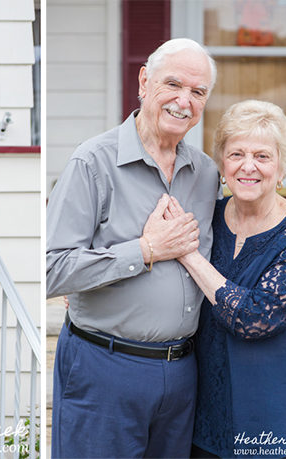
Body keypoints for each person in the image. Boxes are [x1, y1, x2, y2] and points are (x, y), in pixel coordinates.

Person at [45, 38, 221, 458]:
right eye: (173, 85)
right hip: (105, 367)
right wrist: (145, 249)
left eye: (197, 93)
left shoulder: (207, 174)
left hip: (182, 374)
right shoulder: (93, 162)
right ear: (144, 81)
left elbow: (237, 241)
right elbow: (51, 269)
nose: (184, 101)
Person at [172, 100, 286, 458]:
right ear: (222, 163)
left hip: (277, 408)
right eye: (236, 154)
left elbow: (252, 318)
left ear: (281, 169)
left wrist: (188, 254)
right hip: (208, 406)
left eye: (263, 156)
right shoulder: (208, 219)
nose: (248, 166)